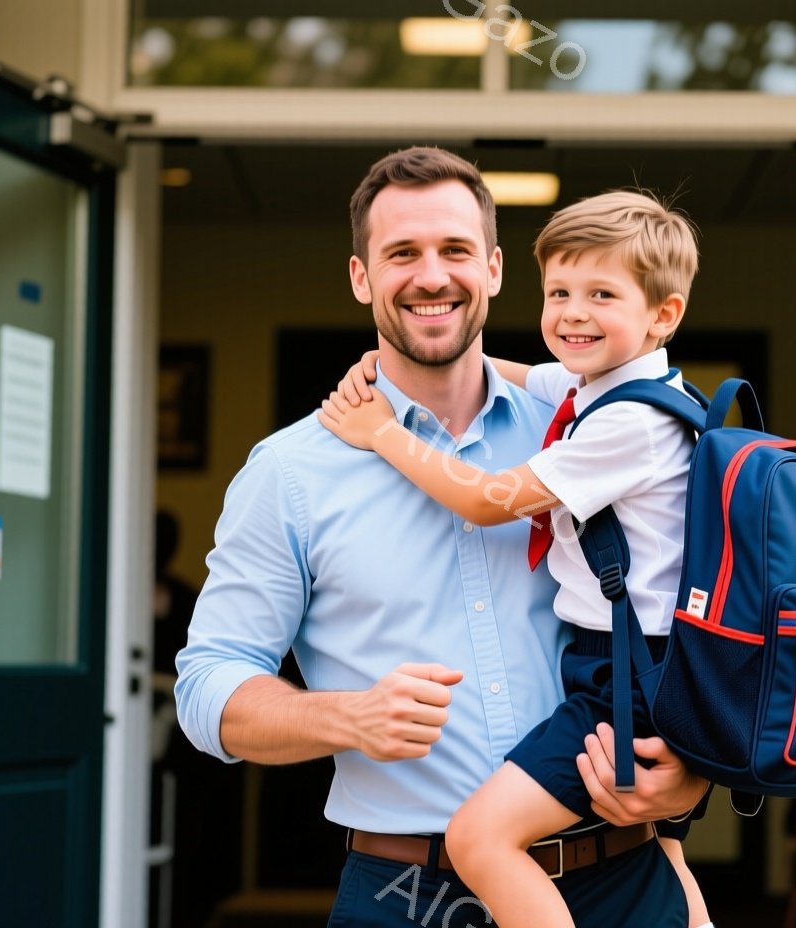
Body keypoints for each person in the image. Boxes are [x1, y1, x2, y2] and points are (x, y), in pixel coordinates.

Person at [174, 147, 710, 927]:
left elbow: (691, 607)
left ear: (492, 270)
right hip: (407, 897)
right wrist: (346, 717)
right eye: (402, 254)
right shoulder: (290, 471)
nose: (432, 276)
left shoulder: (577, 426)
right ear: (362, 278)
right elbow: (206, 686)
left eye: (455, 251)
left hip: (623, 875)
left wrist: (690, 769)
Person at [320, 190, 710, 928]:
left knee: (480, 837)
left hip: (623, 676)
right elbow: (518, 371)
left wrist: (384, 433)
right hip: (628, 666)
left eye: (601, 294)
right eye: (559, 292)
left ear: (664, 315)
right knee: (662, 846)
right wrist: (392, 356)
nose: (572, 314)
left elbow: (489, 499)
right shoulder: (605, 383)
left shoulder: (628, 421)